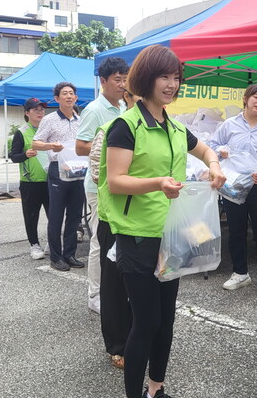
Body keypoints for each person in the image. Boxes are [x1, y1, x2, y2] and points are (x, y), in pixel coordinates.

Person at [98, 44, 225, 398]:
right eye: (163, 77)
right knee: (145, 321)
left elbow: (207, 150)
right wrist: (157, 183)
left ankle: (156, 388)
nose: (171, 84)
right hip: (137, 237)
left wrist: (214, 167)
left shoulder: (175, 127)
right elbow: (116, 180)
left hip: (172, 236)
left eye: (176, 77)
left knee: (166, 319)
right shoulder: (126, 125)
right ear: (146, 78)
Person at [209, 84, 257, 299]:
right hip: (234, 185)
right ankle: (240, 272)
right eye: (255, 97)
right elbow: (212, 146)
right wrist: (220, 151)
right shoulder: (229, 125)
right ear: (245, 99)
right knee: (236, 230)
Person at [89, 89, 141, 370]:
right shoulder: (113, 129)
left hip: (148, 220)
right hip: (116, 219)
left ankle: (139, 335)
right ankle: (117, 344)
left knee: (144, 284)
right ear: (129, 97)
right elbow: (99, 173)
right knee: (114, 286)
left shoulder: (162, 129)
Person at [75, 57, 129, 313]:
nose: (122, 84)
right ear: (103, 81)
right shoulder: (95, 109)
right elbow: (80, 146)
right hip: (97, 186)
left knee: (115, 239)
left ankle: (112, 290)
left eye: (125, 79)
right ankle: (94, 294)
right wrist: (113, 146)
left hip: (116, 183)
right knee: (99, 240)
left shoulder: (121, 107)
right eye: (117, 80)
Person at [32, 82, 85, 272]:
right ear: (57, 99)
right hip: (58, 169)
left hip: (78, 170)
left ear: (76, 98)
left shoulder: (81, 120)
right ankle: (56, 257)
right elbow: (35, 143)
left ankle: (69, 254)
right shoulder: (50, 120)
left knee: (74, 215)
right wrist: (51, 146)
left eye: (72, 93)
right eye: (65, 94)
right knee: (56, 215)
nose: (69, 96)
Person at [9, 98, 50, 260]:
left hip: (50, 180)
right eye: (35, 110)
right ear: (27, 113)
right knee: (31, 215)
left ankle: (52, 243)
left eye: (42, 109)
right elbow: (13, 156)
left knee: (54, 214)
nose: (40, 112)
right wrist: (25, 155)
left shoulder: (48, 129)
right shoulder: (22, 132)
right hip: (30, 182)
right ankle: (34, 244)